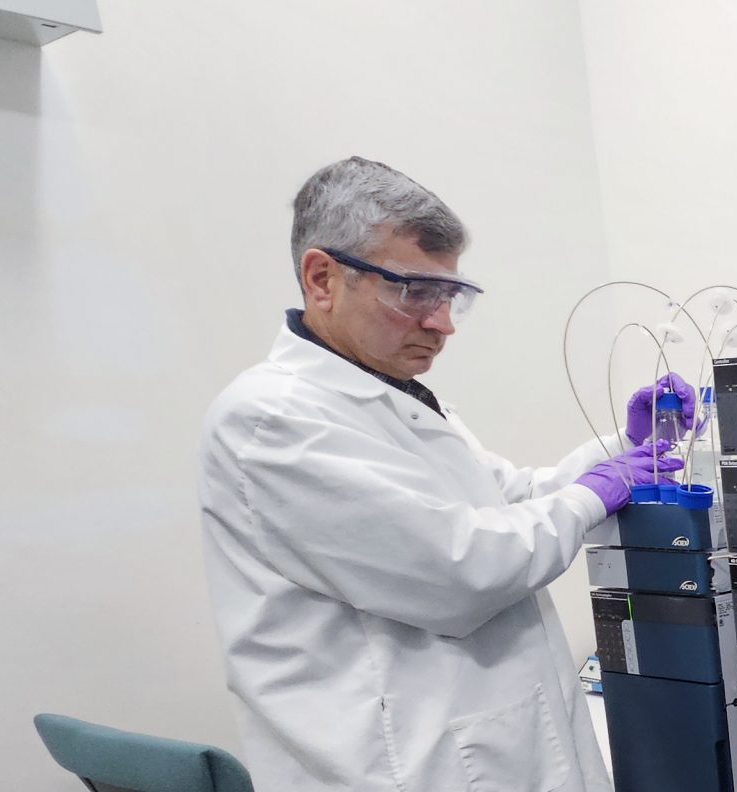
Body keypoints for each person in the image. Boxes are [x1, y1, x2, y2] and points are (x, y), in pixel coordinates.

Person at [197, 157, 693, 791]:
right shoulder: (273, 423)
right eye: (414, 292)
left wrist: (626, 448)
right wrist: (597, 493)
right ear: (322, 278)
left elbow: (513, 497)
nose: (442, 323)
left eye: (450, 294)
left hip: (489, 749)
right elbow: (465, 570)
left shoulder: (391, 398)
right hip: (400, 767)